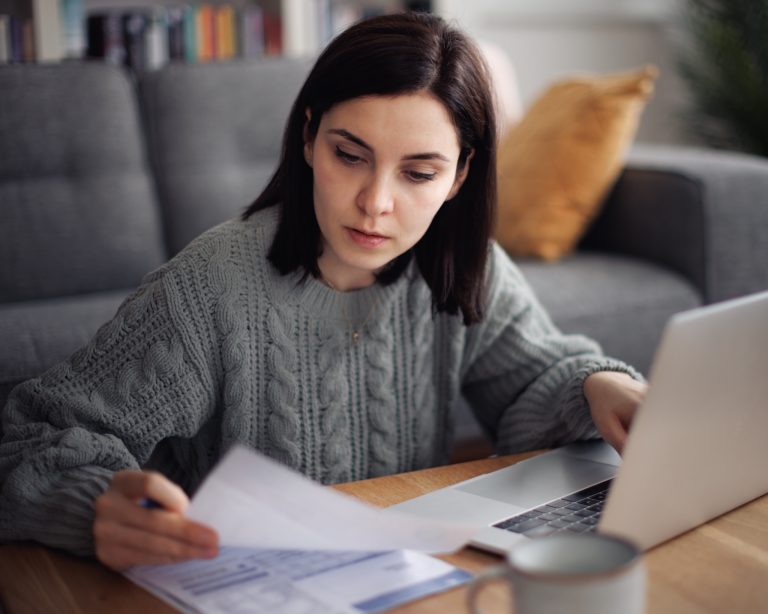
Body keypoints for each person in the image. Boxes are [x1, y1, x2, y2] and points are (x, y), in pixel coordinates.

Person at [0, 12, 646, 571]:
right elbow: (30, 438)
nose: (376, 203)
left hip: (403, 581)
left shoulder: (461, 263)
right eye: (350, 155)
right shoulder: (212, 286)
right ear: (309, 137)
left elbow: (537, 376)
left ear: (459, 176)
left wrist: (594, 384)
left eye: (420, 172)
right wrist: (96, 505)